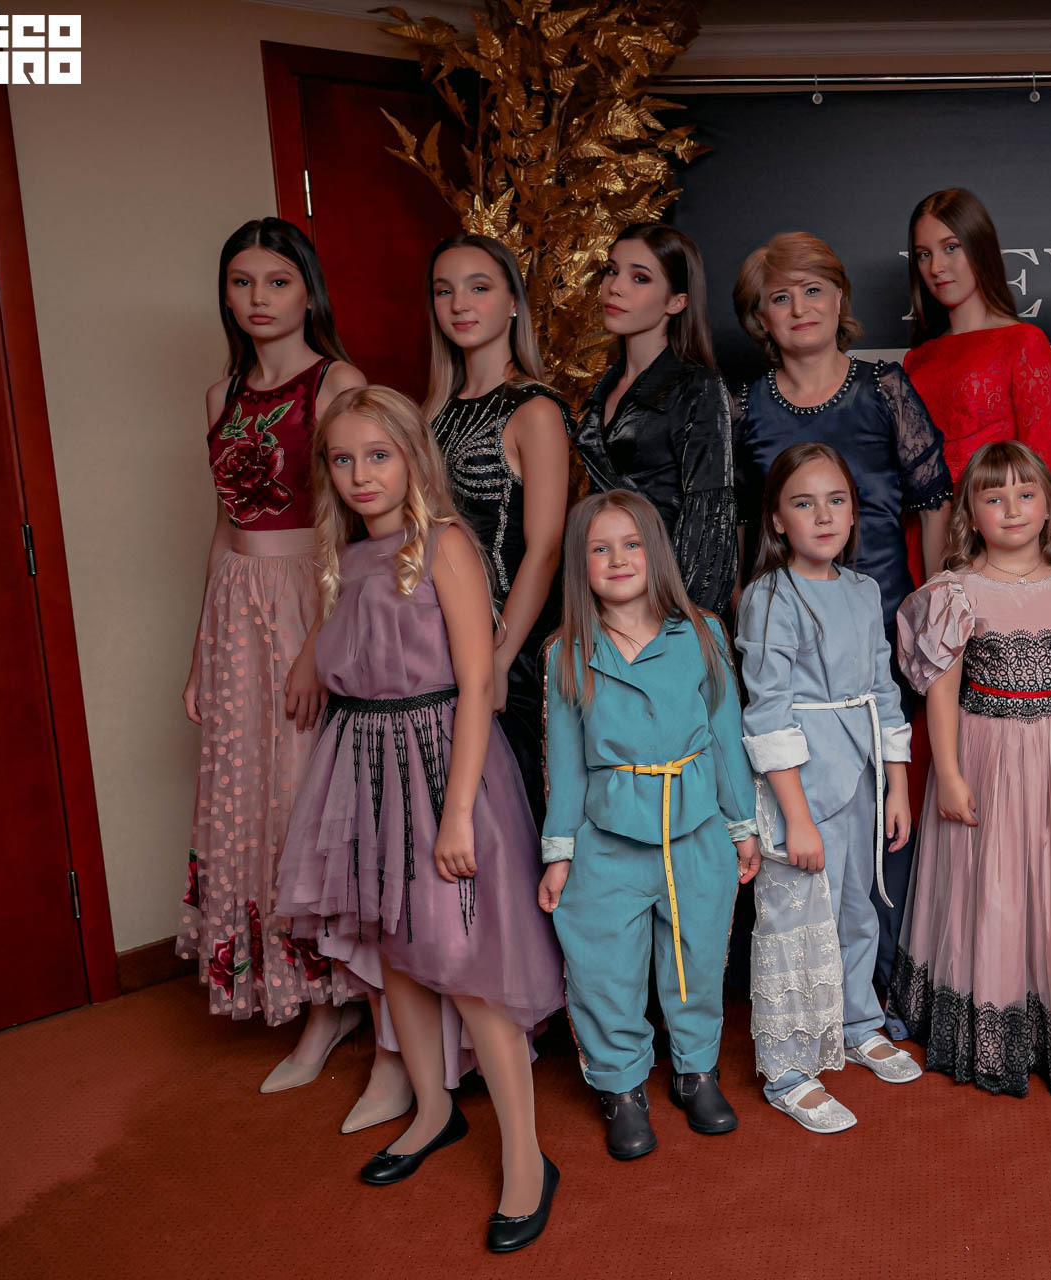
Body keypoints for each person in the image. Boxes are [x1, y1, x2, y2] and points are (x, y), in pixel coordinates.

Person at [274, 385, 563, 1253]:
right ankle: (434, 1110)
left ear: (412, 458)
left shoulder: (445, 543)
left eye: (378, 455)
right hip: (362, 761)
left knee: (466, 961)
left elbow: (478, 684)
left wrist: (458, 813)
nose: (360, 475)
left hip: (443, 764)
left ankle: (527, 1159)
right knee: (394, 944)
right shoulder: (348, 555)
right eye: (342, 459)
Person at [178, 217, 378, 1096]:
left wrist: (319, 648)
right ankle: (297, 994)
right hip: (238, 608)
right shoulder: (219, 393)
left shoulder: (337, 383)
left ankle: (335, 1003)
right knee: (250, 794)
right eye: (242, 282)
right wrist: (201, 653)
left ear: (308, 291)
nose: (258, 298)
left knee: (306, 796)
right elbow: (224, 527)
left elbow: (350, 521)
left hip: (310, 595)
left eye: (277, 281)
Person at [890, 441, 1051, 1096]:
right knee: (996, 876)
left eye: (1025, 494)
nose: (1012, 509)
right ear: (971, 514)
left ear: (1048, 505)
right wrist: (949, 772)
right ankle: (996, 1016)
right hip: (988, 754)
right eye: (994, 497)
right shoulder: (955, 592)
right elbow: (942, 691)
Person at [732, 231, 953, 1004]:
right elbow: (741, 523)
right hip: (790, 637)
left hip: (882, 625)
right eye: (780, 296)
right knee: (803, 801)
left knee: (882, 808)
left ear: (840, 300)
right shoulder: (746, 407)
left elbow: (934, 501)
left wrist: (930, 607)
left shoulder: (883, 388)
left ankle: (883, 984)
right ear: (761, 317)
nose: (800, 308)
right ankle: (810, 995)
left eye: (814, 290)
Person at [537, 491, 761, 1160]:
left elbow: (724, 736)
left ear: (655, 551)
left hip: (695, 834)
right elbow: (564, 765)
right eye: (599, 548)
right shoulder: (566, 653)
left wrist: (742, 826)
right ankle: (621, 1086)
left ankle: (696, 1072)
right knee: (604, 968)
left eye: (631, 544)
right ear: (580, 564)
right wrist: (559, 853)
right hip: (606, 843)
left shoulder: (702, 634)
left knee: (697, 959)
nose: (617, 559)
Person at [738, 444, 921, 1134]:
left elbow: (881, 688)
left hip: (860, 773)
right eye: (803, 503)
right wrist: (796, 818)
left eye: (836, 500)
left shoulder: (863, 590)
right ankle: (787, 1066)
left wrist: (896, 785)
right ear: (777, 519)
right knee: (793, 921)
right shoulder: (768, 598)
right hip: (799, 785)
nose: (823, 516)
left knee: (854, 907)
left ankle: (857, 1020)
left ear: (853, 512)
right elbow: (767, 713)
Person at [424, 233, 568, 825]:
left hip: (512, 643)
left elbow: (546, 548)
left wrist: (501, 658)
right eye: (444, 291)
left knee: (515, 816)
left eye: (478, 288)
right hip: (437, 639)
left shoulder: (535, 409)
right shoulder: (430, 413)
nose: (459, 303)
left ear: (512, 303)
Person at [570, 224, 738, 615]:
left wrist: (683, 626)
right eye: (611, 271)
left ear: (677, 302)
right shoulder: (603, 389)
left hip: (670, 606)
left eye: (640, 278)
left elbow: (711, 522)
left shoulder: (698, 385)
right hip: (603, 599)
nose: (615, 287)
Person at [901, 187, 1051, 478]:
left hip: (993, 506)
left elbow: (1042, 469)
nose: (936, 267)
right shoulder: (917, 358)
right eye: (924, 254)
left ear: (979, 246)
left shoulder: (1024, 342)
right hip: (920, 509)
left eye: (951, 247)